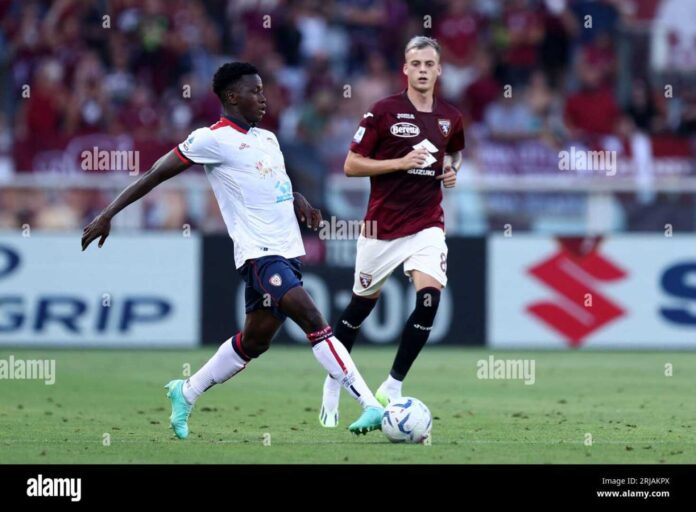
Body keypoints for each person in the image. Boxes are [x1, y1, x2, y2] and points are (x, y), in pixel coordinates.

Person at [81, 62, 384, 438]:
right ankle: (371, 405)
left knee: (254, 341)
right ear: (231, 96)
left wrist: (300, 201)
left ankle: (186, 391)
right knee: (313, 320)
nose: (263, 97)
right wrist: (108, 213)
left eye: (263, 89)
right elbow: (154, 173)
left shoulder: (268, 139)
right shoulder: (211, 139)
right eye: (255, 91)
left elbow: (275, 184)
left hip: (287, 251)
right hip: (260, 254)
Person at [319, 37, 464, 428]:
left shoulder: (451, 117)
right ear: (405, 68)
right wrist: (400, 163)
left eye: (428, 63)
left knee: (430, 300)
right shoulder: (383, 111)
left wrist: (452, 170)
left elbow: (455, 152)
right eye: (414, 63)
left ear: (438, 70)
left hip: (427, 225)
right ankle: (334, 383)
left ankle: (393, 387)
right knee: (358, 309)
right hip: (381, 230)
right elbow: (351, 165)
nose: (421, 69)